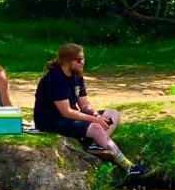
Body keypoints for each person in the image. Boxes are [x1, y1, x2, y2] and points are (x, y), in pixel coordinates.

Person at [34, 44, 145, 179]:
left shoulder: (76, 76)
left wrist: (96, 115)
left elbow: (84, 104)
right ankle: (128, 167)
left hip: (68, 117)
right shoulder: (55, 78)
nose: (82, 62)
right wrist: (94, 120)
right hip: (50, 120)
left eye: (83, 59)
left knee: (113, 114)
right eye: (79, 60)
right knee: (96, 127)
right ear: (67, 61)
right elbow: (66, 112)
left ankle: (93, 145)